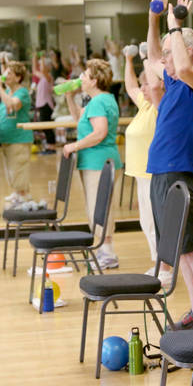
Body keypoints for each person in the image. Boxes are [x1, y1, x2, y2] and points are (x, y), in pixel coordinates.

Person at [145, 0, 193, 330]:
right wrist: (154, 18)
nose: (164, 60)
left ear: (186, 51)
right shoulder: (173, 83)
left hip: (180, 173)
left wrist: (174, 26)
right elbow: (150, 59)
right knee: (180, 252)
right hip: (161, 173)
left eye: (169, 53)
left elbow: (185, 65)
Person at [62, 58, 122, 269]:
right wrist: (70, 97)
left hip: (98, 161)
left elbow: (99, 132)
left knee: (100, 207)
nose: (81, 79)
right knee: (97, 205)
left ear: (95, 80)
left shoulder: (98, 102)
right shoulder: (102, 100)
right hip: (97, 161)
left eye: (85, 75)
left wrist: (74, 146)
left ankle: (106, 252)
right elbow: (79, 118)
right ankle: (103, 249)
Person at [123, 45, 173, 287]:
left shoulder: (158, 106)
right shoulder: (144, 105)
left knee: (157, 222)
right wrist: (128, 59)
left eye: (147, 84)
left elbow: (153, 84)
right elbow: (131, 86)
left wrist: (146, 57)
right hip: (141, 174)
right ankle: (157, 263)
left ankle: (166, 268)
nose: (142, 88)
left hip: (154, 173)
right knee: (147, 222)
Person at [0, 61, 35, 208]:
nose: (5, 76)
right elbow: (7, 112)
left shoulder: (22, 92)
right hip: (7, 137)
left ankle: (24, 194)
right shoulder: (9, 92)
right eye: (5, 73)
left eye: (9, 73)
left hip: (19, 137)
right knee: (11, 167)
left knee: (19, 166)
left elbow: (12, 105)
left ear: (18, 77)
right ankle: (18, 192)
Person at [31, 51, 56, 154]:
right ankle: (49, 146)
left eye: (42, 65)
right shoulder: (42, 77)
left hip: (46, 105)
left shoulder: (48, 76)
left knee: (47, 126)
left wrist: (42, 58)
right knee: (44, 126)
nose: (40, 67)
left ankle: (51, 146)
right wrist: (34, 57)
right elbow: (34, 70)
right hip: (41, 104)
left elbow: (43, 69)